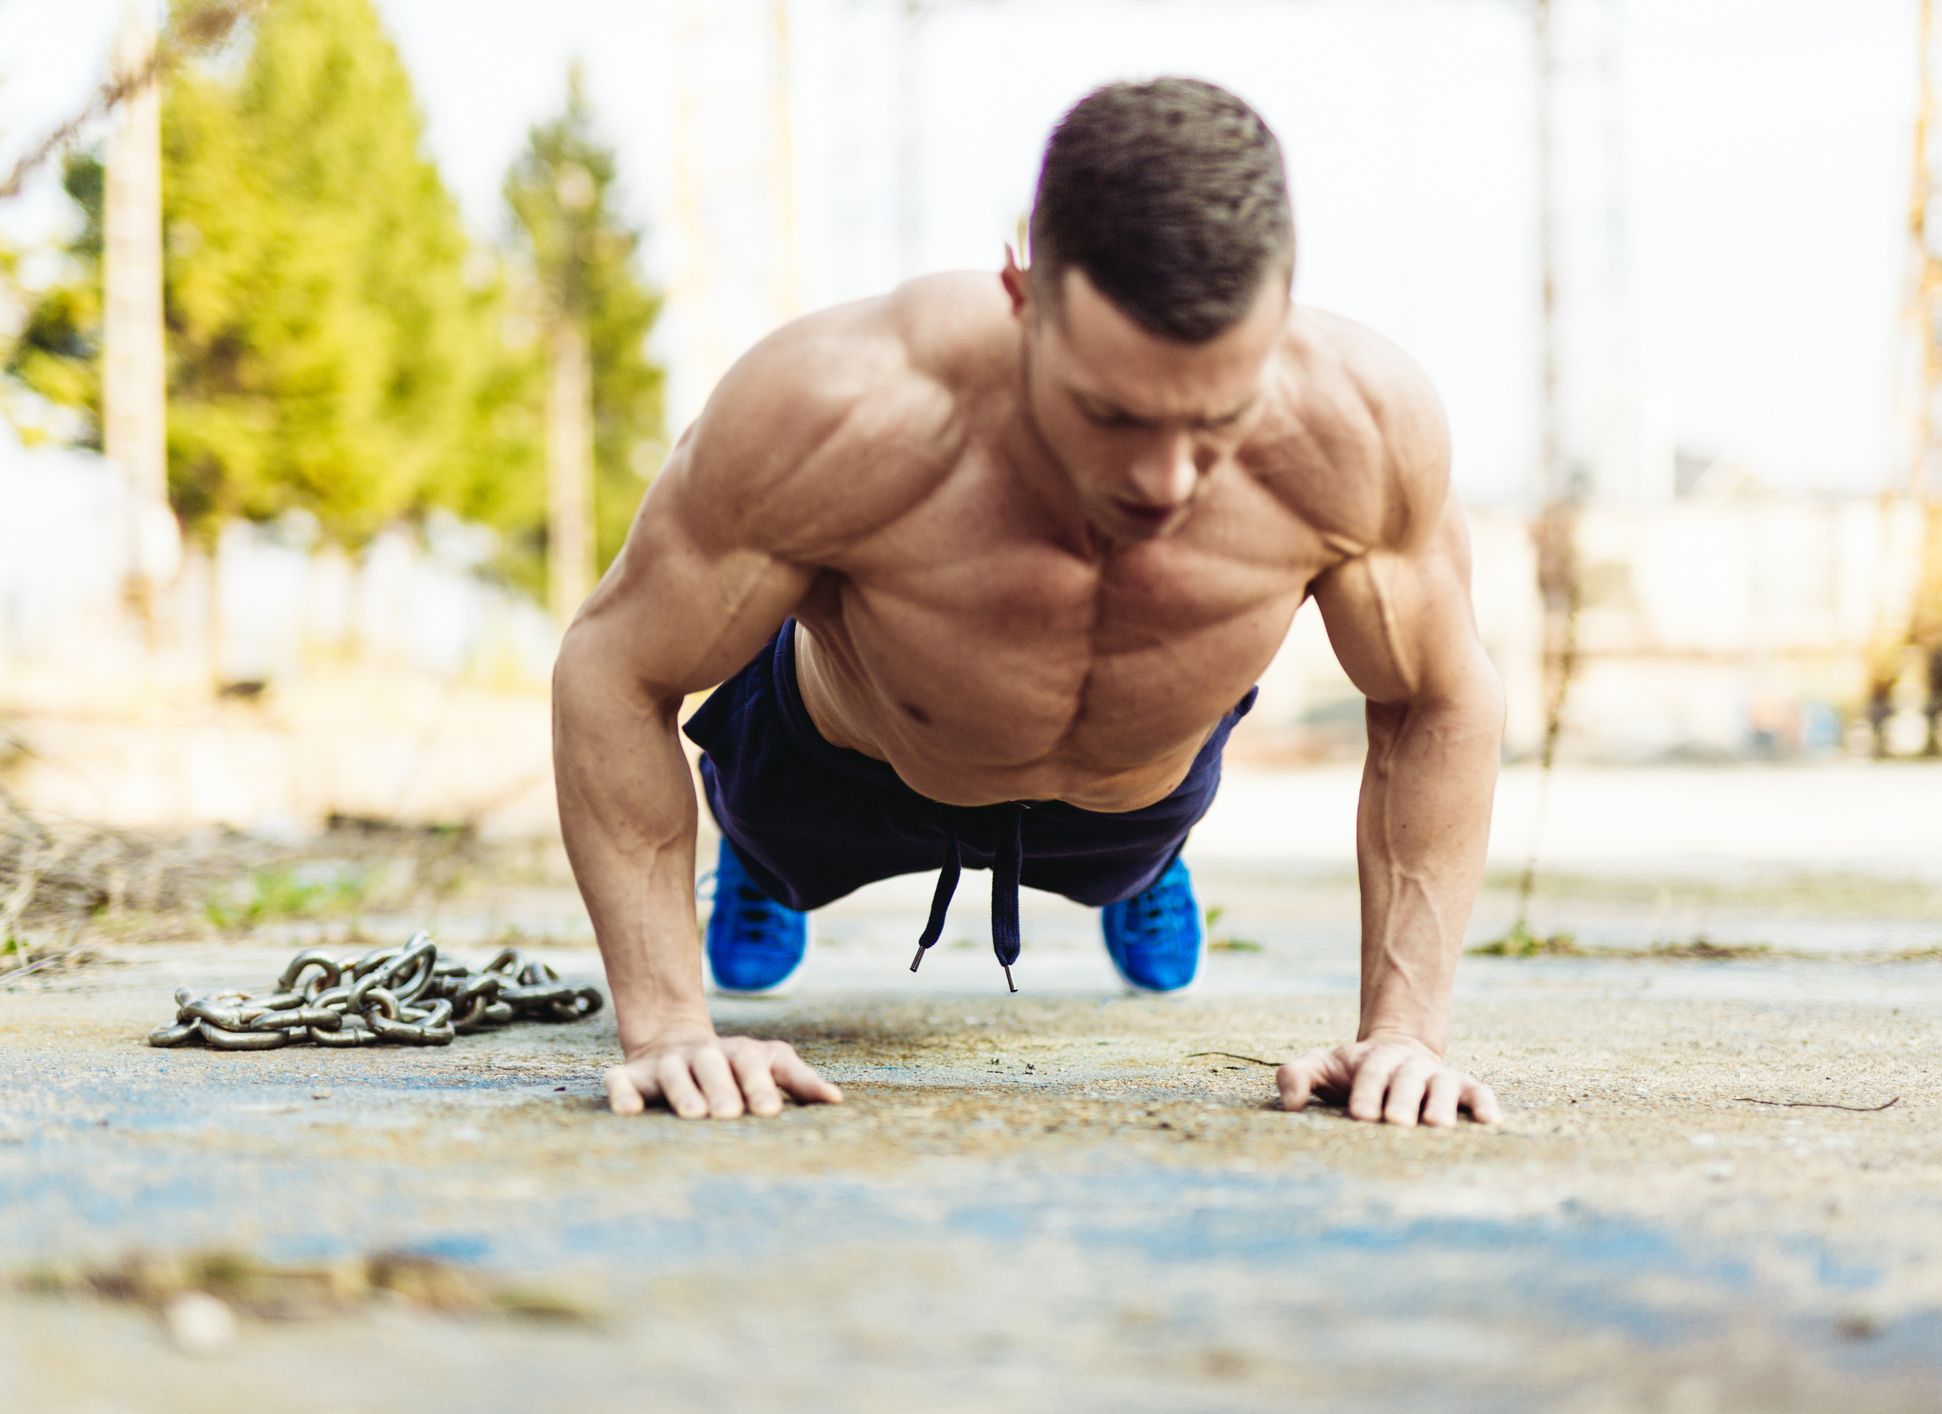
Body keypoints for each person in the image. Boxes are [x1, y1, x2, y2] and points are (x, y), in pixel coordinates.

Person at [553, 77, 1505, 1127]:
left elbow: (1436, 697)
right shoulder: (837, 405)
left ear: (1281, 313)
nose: (1166, 481)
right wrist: (667, 1028)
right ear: (1022, 290)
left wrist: (1405, 1034)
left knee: (1127, 840)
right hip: (836, 769)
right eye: (1112, 413)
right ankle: (758, 865)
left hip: (1132, 796)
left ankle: (1146, 872)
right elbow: (615, 665)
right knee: (773, 837)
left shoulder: (1361, 427)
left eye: (1217, 420)